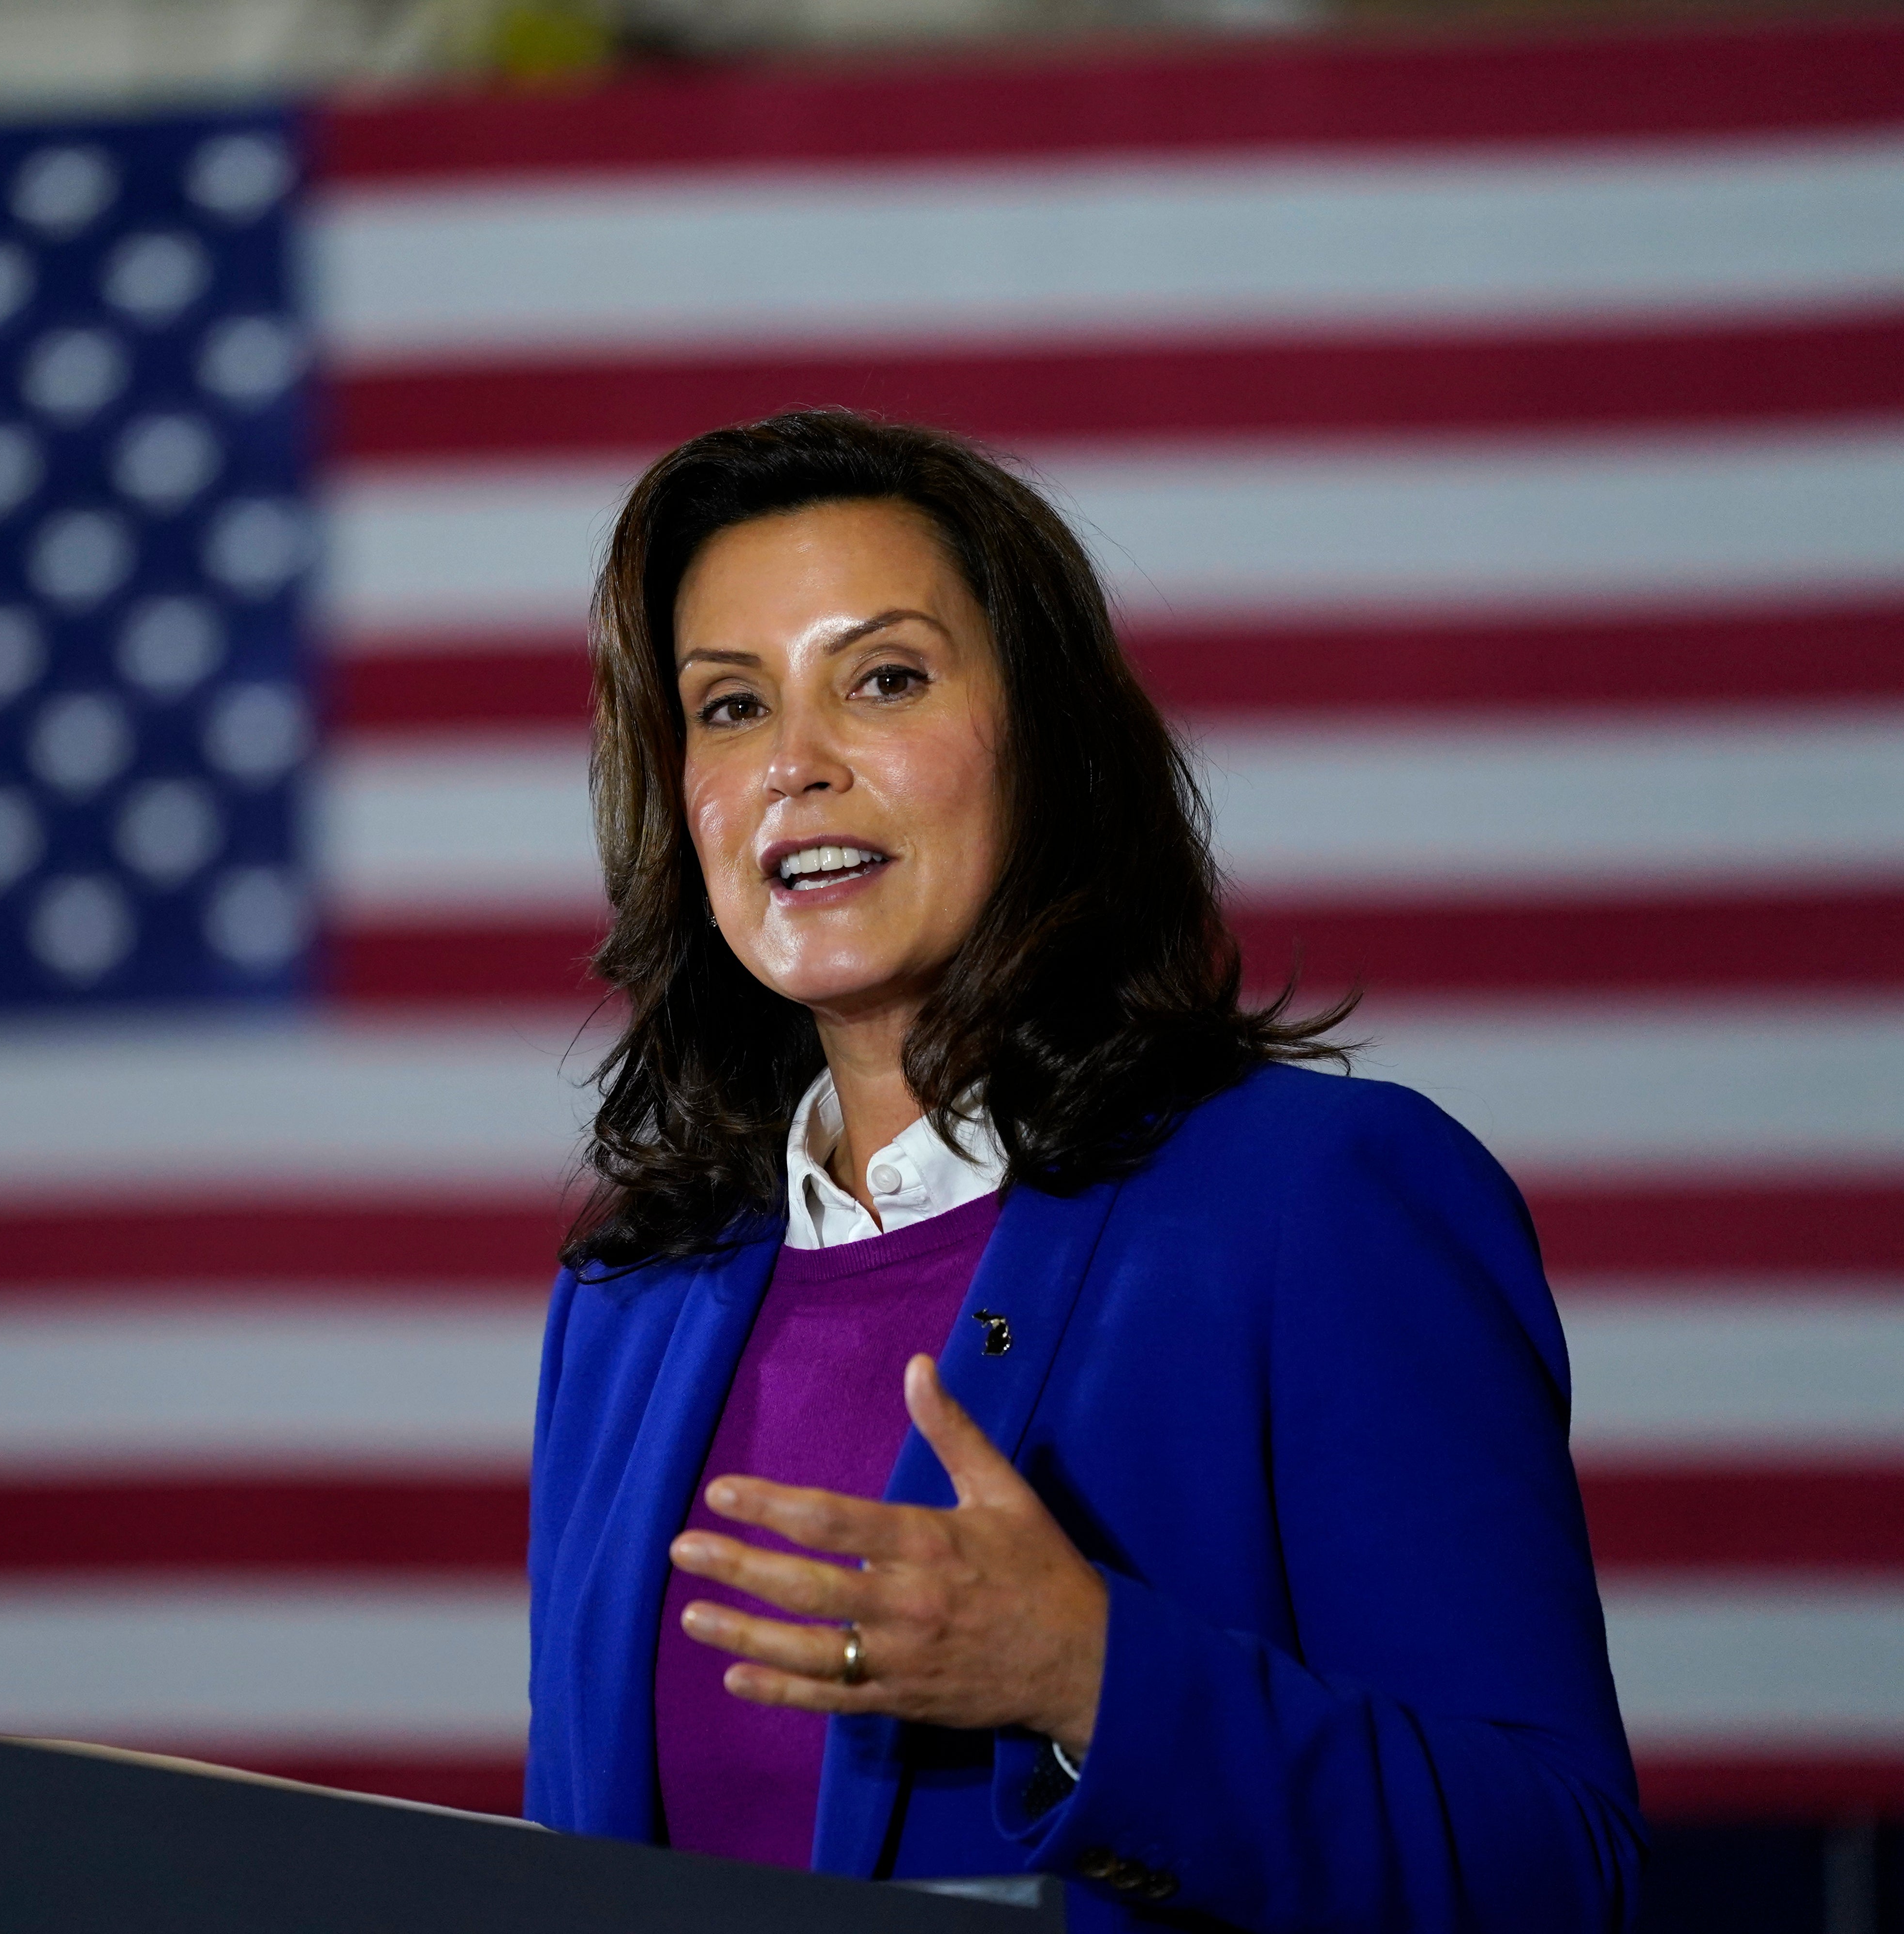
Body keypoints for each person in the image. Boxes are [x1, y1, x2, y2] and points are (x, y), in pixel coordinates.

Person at [522, 410, 1643, 1931]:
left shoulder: (1316, 1209)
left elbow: (1563, 1878)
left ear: (1047, 745)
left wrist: (1091, 1681)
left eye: (886, 679)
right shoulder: (629, 1304)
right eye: (727, 708)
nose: (795, 764)